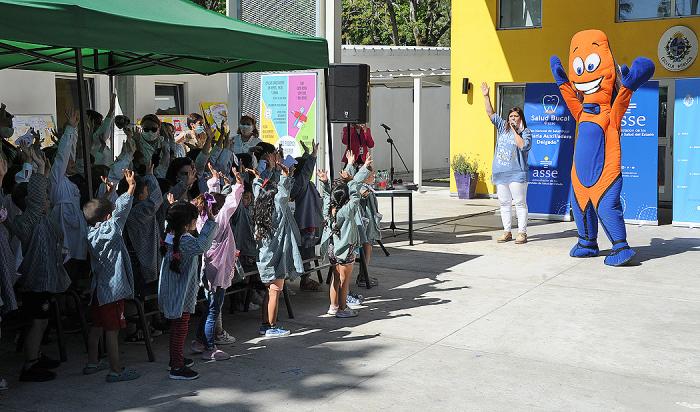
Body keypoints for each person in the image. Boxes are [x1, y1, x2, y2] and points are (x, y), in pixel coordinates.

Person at [8, 148, 69, 382]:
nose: (47, 201)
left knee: (42, 321)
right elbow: (36, 197)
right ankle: (30, 365)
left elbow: (41, 194)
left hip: (44, 280)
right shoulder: (26, 222)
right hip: (34, 281)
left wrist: (42, 169)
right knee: (37, 321)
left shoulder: (40, 218)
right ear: (31, 202)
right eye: (42, 198)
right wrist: (38, 172)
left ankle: (37, 355)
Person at [83, 169, 140, 383]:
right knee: (112, 331)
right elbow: (120, 212)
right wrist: (131, 187)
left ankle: (92, 362)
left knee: (97, 326)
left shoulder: (90, 232)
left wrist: (108, 194)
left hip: (98, 289)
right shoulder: (112, 230)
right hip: (112, 292)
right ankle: (116, 370)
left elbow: (98, 213)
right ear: (108, 217)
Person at [159, 200, 217, 380]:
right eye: (194, 218)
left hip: (175, 289)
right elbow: (202, 246)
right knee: (180, 327)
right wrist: (211, 221)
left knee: (178, 326)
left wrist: (173, 207)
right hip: (179, 292)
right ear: (186, 224)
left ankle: (175, 359)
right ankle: (176, 367)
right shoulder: (184, 240)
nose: (196, 221)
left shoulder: (171, 234)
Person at [191, 166, 243, 360]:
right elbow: (230, 202)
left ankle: (199, 341)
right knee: (214, 309)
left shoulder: (201, 218)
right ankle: (210, 348)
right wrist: (238, 184)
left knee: (210, 307)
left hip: (208, 269)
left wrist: (214, 181)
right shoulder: (219, 220)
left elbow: (214, 199)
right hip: (218, 270)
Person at [252, 161, 303, 338]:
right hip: (276, 261)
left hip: (264, 261)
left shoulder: (259, 212)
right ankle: (272, 327)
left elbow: (259, 191)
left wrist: (257, 179)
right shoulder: (278, 214)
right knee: (274, 293)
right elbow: (282, 196)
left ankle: (265, 324)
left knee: (269, 292)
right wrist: (285, 176)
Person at [319, 153, 372, 318]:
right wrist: (352, 179)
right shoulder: (347, 211)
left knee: (336, 278)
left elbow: (328, 195)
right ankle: (342, 309)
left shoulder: (329, 210)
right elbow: (355, 195)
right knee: (344, 281)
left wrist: (326, 183)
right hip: (346, 249)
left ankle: (333, 306)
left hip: (332, 248)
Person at [481, 82, 532, 244]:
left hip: (517, 174)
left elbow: (523, 146)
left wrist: (517, 130)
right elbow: (490, 113)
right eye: (510, 116)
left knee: (519, 203)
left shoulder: (526, 132)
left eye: (516, 116)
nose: (512, 118)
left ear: (521, 119)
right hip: (500, 173)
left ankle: (522, 233)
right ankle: (507, 231)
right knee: (504, 203)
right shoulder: (503, 127)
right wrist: (486, 95)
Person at [290, 141, 323, 292]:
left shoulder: (300, 182)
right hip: (305, 222)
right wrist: (313, 156)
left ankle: (306, 276)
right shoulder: (299, 184)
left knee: (307, 250)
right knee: (307, 251)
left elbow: (303, 168)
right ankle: (305, 278)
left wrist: (307, 154)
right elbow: (305, 170)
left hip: (309, 220)